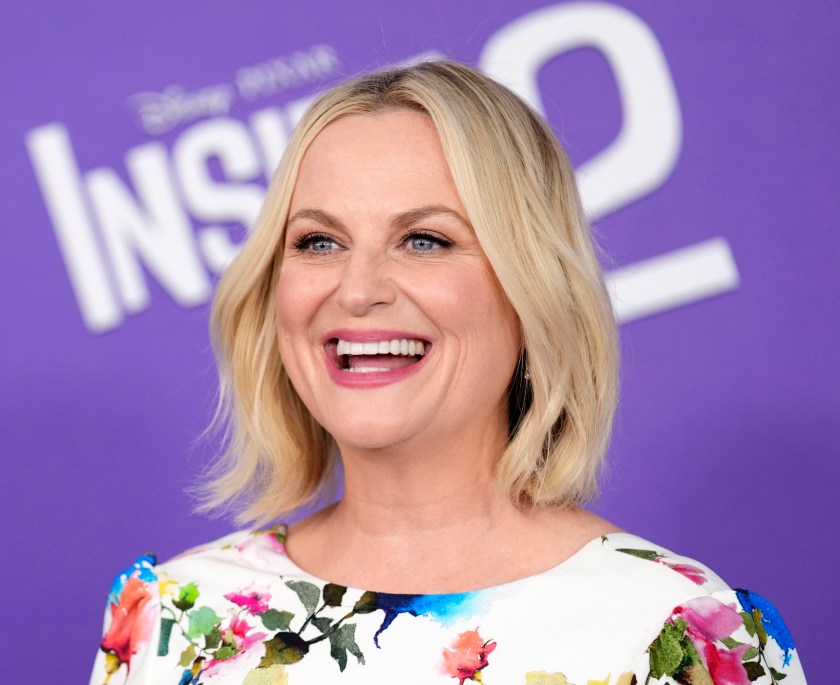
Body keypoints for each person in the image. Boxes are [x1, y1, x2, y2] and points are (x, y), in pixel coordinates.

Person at [88, 60, 804, 685]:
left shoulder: (681, 636)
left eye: (424, 239)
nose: (357, 287)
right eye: (319, 241)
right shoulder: (173, 620)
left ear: (532, 290)